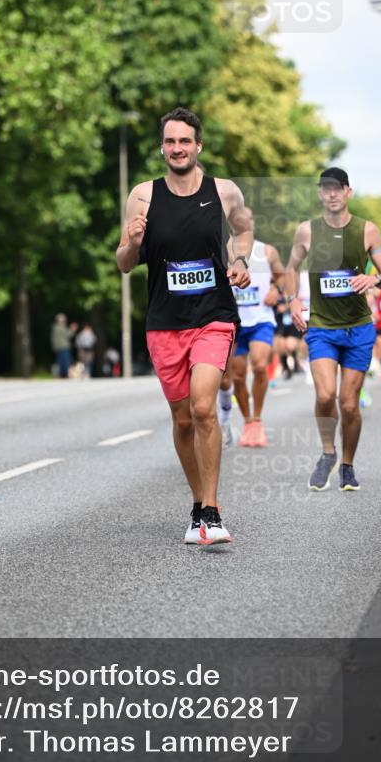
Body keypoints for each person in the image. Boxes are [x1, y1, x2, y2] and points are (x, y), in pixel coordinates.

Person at [117, 106, 252, 545]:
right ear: (163, 148)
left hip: (213, 316)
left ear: (199, 146)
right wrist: (133, 242)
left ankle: (212, 511)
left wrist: (240, 259)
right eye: (170, 141)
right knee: (182, 419)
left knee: (203, 407)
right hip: (164, 322)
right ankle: (197, 505)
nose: (178, 148)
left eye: (185, 141)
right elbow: (123, 263)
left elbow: (244, 229)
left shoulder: (224, 191)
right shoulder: (143, 196)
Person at [285, 167, 381, 493]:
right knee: (323, 395)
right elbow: (291, 268)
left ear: (348, 192)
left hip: (358, 328)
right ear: (320, 193)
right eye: (326, 188)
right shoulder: (307, 231)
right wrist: (293, 300)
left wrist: (374, 278)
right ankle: (327, 452)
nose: (332, 194)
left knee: (348, 404)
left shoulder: (367, 230)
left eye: (338, 188)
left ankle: (347, 464)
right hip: (321, 327)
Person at [230, 208, 285, 447]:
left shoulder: (267, 251)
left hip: (261, 319)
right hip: (233, 321)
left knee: (260, 366)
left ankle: (258, 418)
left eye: (248, 219)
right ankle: (248, 421)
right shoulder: (224, 250)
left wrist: (276, 290)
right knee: (238, 376)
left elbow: (282, 276)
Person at [50, 313, 78, 379]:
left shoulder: (55, 327)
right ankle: (65, 374)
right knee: (65, 361)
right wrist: (73, 329)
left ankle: (60, 375)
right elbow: (68, 335)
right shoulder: (62, 327)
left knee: (60, 361)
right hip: (64, 346)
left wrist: (54, 346)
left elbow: (53, 338)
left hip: (58, 347)